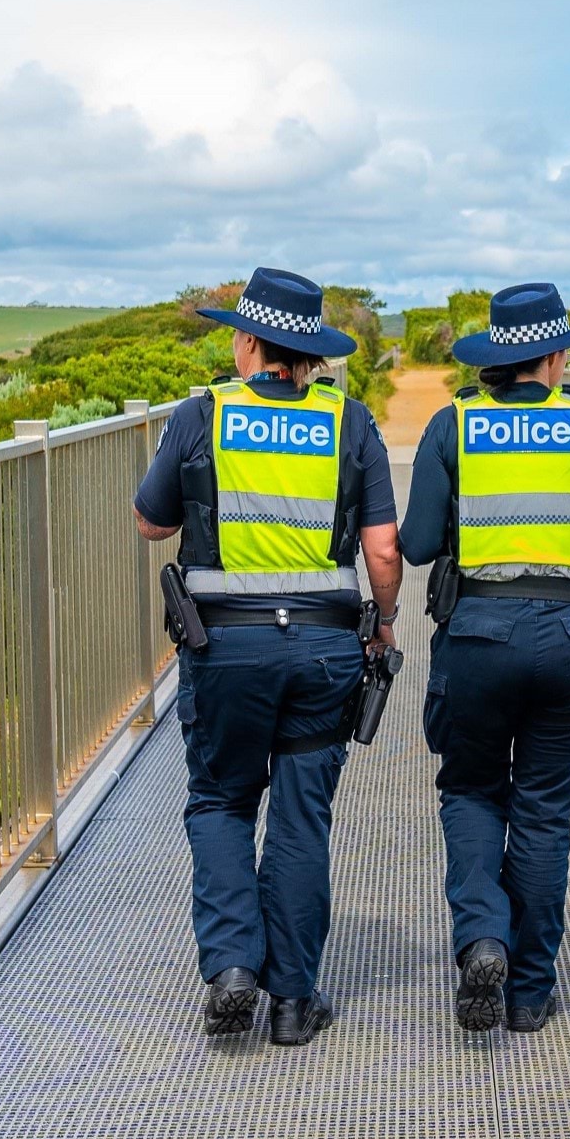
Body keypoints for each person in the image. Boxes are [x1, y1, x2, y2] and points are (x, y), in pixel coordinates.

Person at [399, 281, 570, 1034]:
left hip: (478, 640)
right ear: (555, 357)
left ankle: (482, 938)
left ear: (498, 356)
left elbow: (420, 544)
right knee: (544, 813)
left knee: (470, 791)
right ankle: (528, 992)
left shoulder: (452, 425)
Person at [132, 267, 402, 1045]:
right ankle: (291, 1001)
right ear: (310, 354)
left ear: (248, 343)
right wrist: (382, 623)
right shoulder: (350, 422)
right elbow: (382, 550)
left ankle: (230, 969)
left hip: (225, 651)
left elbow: (151, 525)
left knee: (220, 801)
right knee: (299, 819)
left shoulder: (200, 415)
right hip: (323, 651)